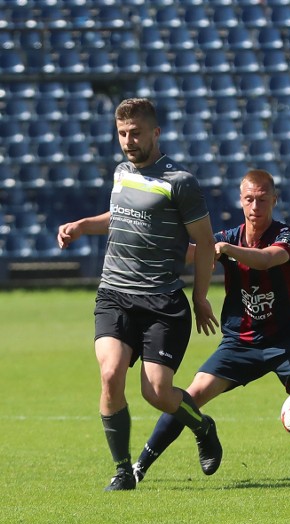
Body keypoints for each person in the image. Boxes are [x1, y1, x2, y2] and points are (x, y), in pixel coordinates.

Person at [132, 169, 290, 484]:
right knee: (192, 396)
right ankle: (138, 467)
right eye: (249, 199)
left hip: (289, 337)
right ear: (241, 200)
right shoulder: (227, 237)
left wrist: (227, 251)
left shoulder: (287, 236)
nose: (255, 206)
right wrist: (158, 245)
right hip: (240, 342)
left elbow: (267, 259)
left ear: (274, 199)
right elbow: (193, 254)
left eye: (262, 199)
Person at [56, 97, 220, 492]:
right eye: (122, 134)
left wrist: (200, 297)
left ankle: (202, 426)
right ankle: (122, 469)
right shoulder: (121, 172)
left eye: (136, 133)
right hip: (115, 293)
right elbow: (120, 217)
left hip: (162, 303)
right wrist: (81, 225)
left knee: (157, 394)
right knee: (110, 374)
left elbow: (205, 244)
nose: (129, 141)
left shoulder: (181, 183)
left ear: (156, 133)